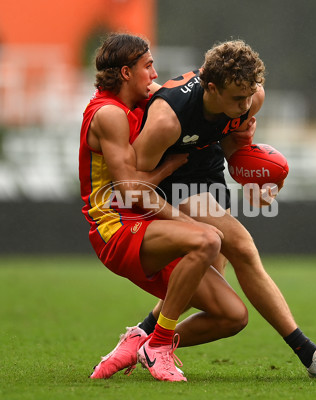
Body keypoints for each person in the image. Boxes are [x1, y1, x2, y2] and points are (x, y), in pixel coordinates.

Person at [90, 39, 316, 380]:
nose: (245, 105)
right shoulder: (166, 120)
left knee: (210, 280)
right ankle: (311, 355)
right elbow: (136, 183)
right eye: (236, 99)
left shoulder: (249, 97)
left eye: (249, 97)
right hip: (172, 177)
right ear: (210, 87)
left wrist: (251, 177)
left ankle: (144, 338)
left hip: (208, 170)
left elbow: (233, 144)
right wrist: (175, 210)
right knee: (243, 247)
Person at [79, 33, 255, 382]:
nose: (155, 73)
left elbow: (179, 98)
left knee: (233, 316)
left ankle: (139, 341)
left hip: (142, 225)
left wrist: (242, 127)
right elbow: (130, 190)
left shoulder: (135, 106)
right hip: (115, 228)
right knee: (207, 239)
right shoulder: (110, 114)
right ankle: (158, 344)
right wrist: (169, 169)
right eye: (148, 66)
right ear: (127, 73)